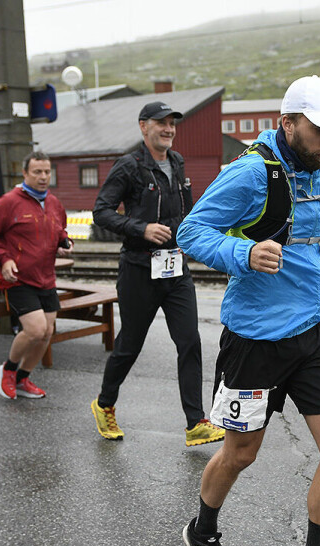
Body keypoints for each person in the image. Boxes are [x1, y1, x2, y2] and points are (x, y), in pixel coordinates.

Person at [176, 75, 320, 546]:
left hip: (313, 334)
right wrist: (244, 253)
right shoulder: (250, 173)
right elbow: (192, 232)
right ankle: (202, 529)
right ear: (288, 123)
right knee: (240, 454)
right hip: (254, 341)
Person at [90, 100, 224, 447]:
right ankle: (104, 405)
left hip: (175, 268)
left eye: (172, 124)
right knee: (129, 346)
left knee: (189, 341)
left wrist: (188, 236)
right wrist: (141, 228)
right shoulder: (128, 166)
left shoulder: (178, 162)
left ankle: (196, 422)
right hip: (138, 269)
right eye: (160, 123)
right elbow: (101, 212)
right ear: (143, 127)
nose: (168, 129)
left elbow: (187, 211)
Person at [0, 151, 72, 400]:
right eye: (37, 172)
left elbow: (59, 229)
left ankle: (22, 378)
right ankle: (7, 370)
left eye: (47, 172)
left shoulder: (53, 203)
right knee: (35, 329)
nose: (43, 177)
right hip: (17, 277)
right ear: (25, 173)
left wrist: (64, 241)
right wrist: (3, 259)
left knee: (47, 332)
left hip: (45, 277)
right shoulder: (9, 202)